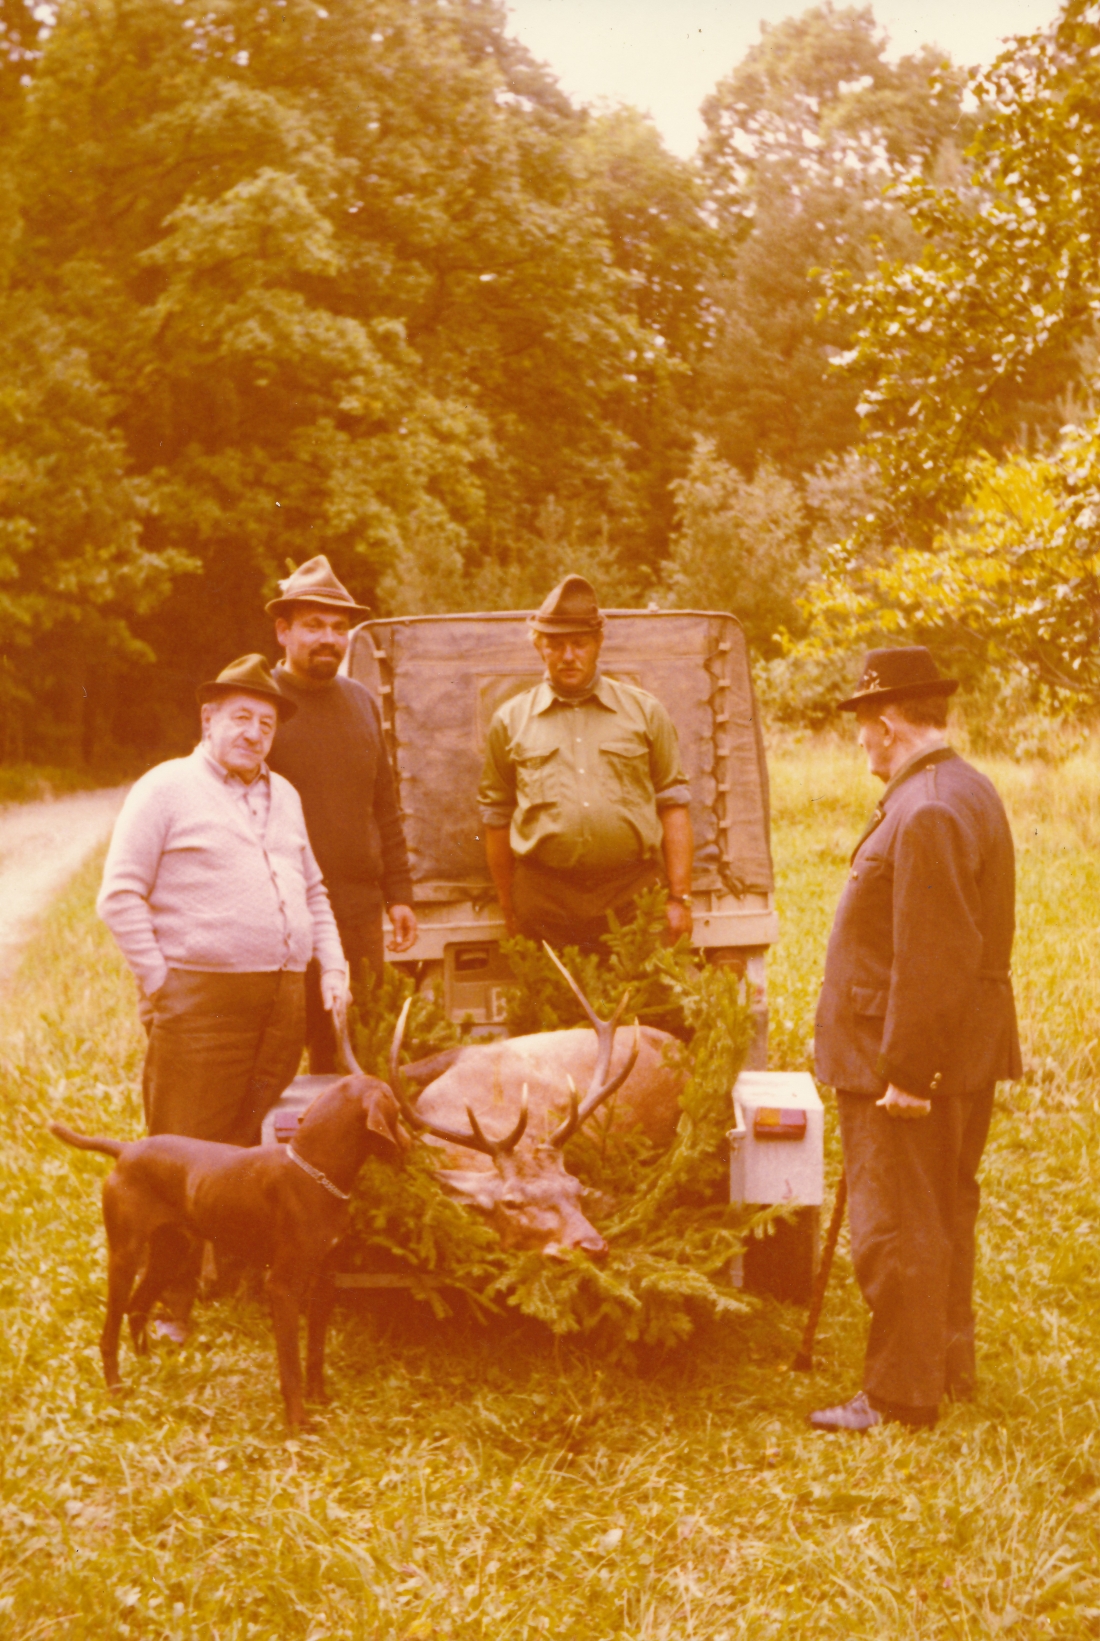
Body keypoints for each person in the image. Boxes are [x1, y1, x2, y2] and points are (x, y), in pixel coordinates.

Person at [810, 646, 1021, 1433]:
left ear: (889, 724)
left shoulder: (925, 806)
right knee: (942, 1210)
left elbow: (934, 950)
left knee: (899, 1221)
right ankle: (944, 1364)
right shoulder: (964, 787)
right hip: (957, 1050)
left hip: (907, 1058)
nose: (861, 743)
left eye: (864, 728)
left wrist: (908, 1071)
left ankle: (900, 1393)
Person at [99, 654, 348, 1146]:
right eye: (241, 717)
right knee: (185, 1146)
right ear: (208, 719)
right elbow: (119, 896)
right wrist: (159, 982)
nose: (254, 733)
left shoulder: (286, 795)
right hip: (200, 1006)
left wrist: (334, 968)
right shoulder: (165, 787)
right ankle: (166, 1226)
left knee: (251, 1148)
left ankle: (231, 1227)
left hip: (283, 1006)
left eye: (266, 724)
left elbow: (313, 891)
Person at [478, 574, 694, 954]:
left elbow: (673, 804)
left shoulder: (644, 713)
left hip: (632, 894)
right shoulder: (510, 721)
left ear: (598, 643)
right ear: (539, 647)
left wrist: (679, 898)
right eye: (556, 644)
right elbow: (496, 817)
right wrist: (509, 904)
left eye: (579, 643)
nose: (568, 656)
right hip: (546, 899)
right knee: (554, 1009)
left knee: (647, 1010)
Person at [265, 555, 416, 1072]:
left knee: (352, 1048)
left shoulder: (361, 703)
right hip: (277, 911)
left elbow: (385, 805)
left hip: (356, 912)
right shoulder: (259, 705)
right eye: (313, 626)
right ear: (283, 631)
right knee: (276, 1051)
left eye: (338, 627)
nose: (328, 638)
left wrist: (399, 893)